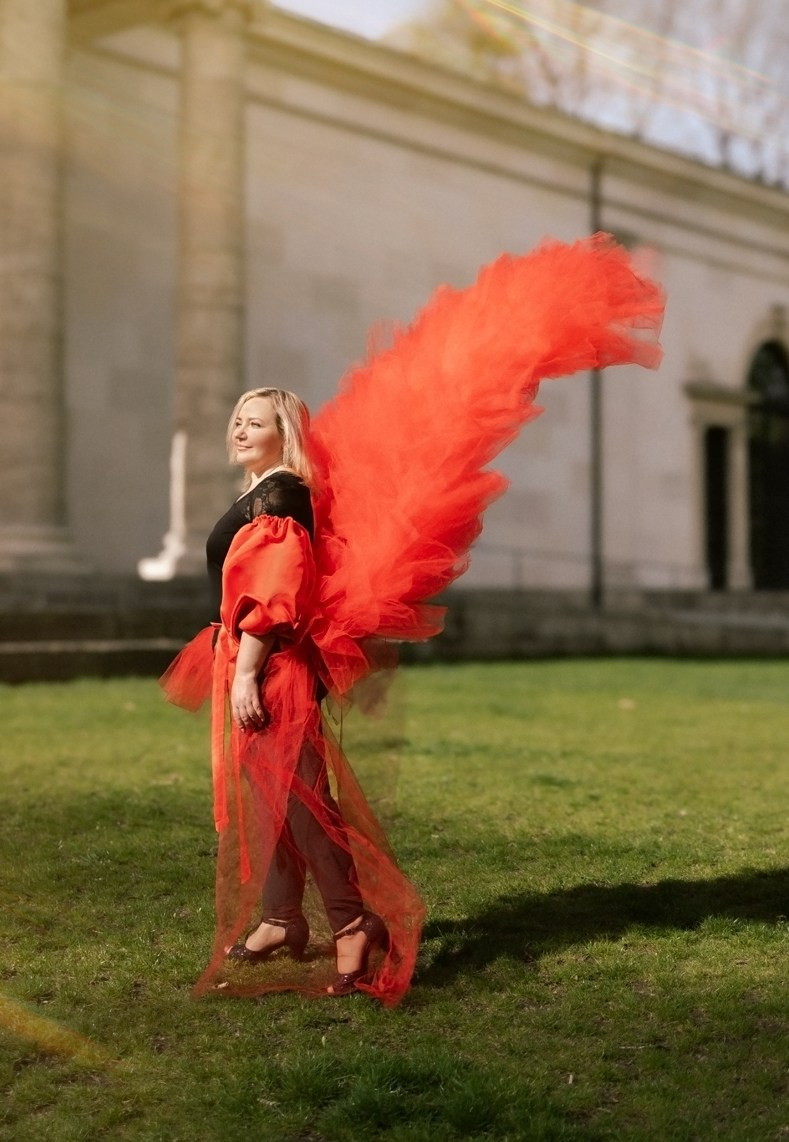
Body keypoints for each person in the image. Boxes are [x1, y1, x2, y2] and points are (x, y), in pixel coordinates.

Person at [163, 232, 665, 1006]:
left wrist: (251, 669)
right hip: (246, 656)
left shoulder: (279, 499)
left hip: (267, 663)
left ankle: (351, 921)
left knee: (300, 798)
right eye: (236, 416)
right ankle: (281, 917)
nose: (239, 426)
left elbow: (276, 586)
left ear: (284, 433)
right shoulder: (260, 493)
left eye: (255, 419)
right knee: (273, 796)